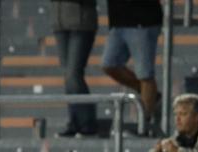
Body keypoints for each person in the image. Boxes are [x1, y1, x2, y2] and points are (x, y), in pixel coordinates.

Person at [102, 0, 163, 128]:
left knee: (145, 74)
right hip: (118, 21)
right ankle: (151, 95)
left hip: (143, 21)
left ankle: (144, 123)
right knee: (109, 65)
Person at [51, 0, 98, 137]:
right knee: (68, 75)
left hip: (81, 23)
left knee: (73, 74)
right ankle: (75, 121)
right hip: (60, 23)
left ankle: (87, 123)